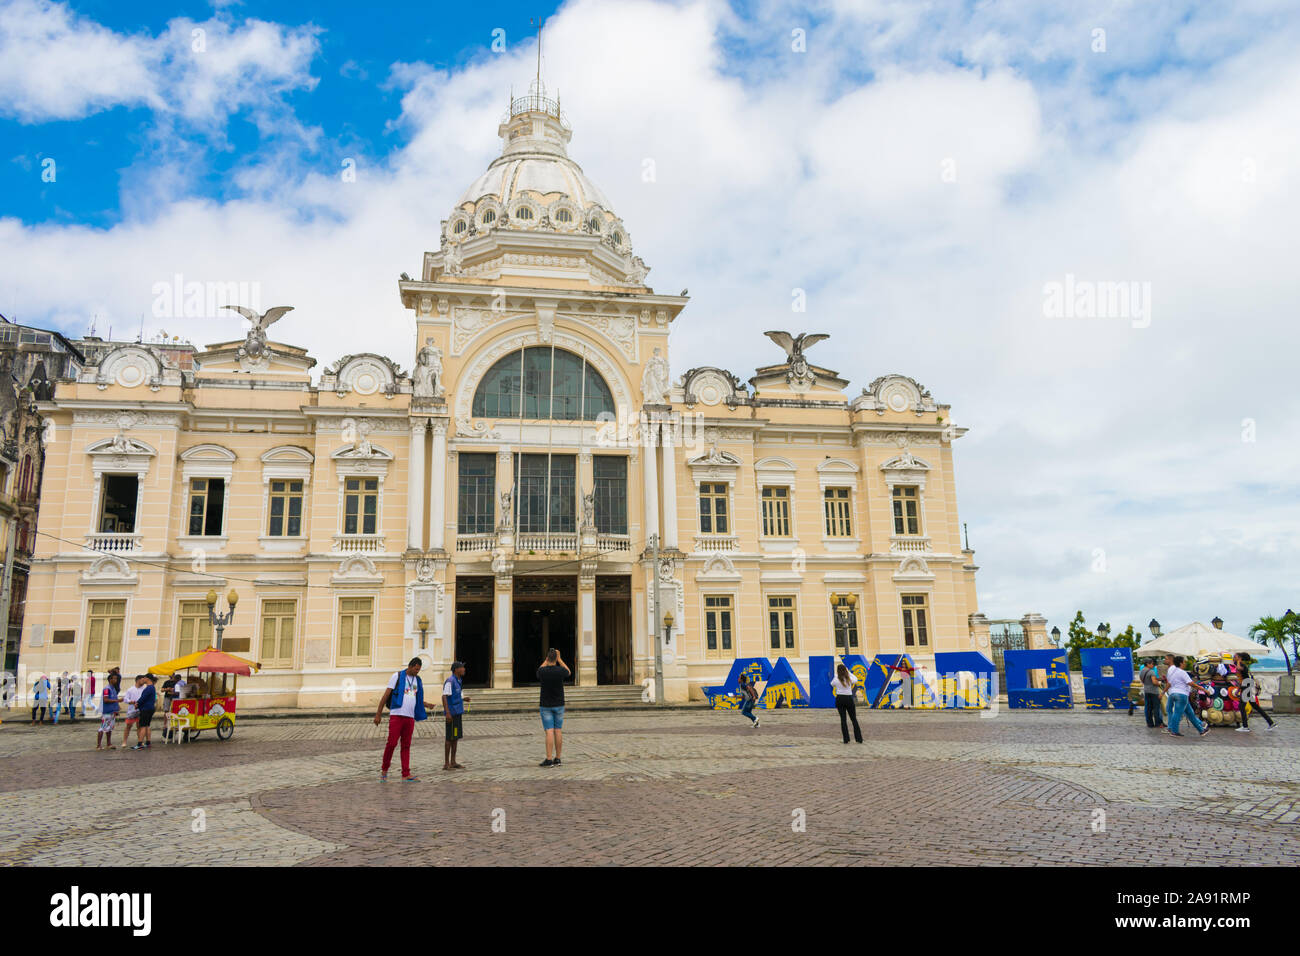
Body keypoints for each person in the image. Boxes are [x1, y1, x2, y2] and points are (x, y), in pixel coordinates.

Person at [373, 658, 427, 782]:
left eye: (419, 670)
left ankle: (406, 773)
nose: (417, 672)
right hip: (397, 715)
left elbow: (413, 696)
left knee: (406, 745)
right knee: (391, 743)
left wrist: (426, 704)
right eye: (416, 669)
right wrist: (378, 714)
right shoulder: (396, 676)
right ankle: (384, 771)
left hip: (410, 717)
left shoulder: (417, 680)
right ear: (410, 666)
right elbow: (386, 695)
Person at [1162, 654, 1209, 738]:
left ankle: (1201, 730)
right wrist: (1203, 689)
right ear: (1180, 663)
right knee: (1177, 713)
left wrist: (1163, 692)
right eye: (1184, 662)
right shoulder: (1182, 672)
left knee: (1190, 714)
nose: (1185, 663)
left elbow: (1169, 683)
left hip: (1173, 694)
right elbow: (1191, 683)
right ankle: (1174, 731)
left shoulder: (1172, 672)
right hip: (1181, 695)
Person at [537, 648, 570, 767]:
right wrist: (559, 659)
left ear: (547, 658)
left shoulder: (543, 671)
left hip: (546, 705)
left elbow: (539, 669)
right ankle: (558, 758)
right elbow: (568, 672)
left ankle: (549, 759)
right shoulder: (560, 670)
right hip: (559, 704)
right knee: (558, 730)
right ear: (556, 659)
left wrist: (547, 660)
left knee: (549, 731)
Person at [1235, 653, 1276, 732]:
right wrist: (1238, 690)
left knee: (1241, 706)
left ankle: (1245, 726)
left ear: (1240, 658)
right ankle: (1271, 722)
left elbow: (1239, 668)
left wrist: (1238, 661)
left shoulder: (1241, 665)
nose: (1234, 658)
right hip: (1246, 685)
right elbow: (1242, 678)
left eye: (1236, 656)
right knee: (1255, 706)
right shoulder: (1243, 665)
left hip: (1246, 685)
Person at [441, 662, 468, 770]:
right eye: (462, 667)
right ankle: (446, 763)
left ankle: (453, 761)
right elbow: (444, 697)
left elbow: (456, 695)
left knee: (455, 737)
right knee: (449, 738)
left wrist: (463, 699)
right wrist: (447, 713)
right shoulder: (450, 681)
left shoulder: (459, 681)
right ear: (456, 669)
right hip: (451, 714)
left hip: (457, 713)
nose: (464, 669)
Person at [832, 663, 864, 743]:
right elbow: (856, 679)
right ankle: (859, 739)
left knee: (843, 720)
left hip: (839, 698)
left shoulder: (836, 679)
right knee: (853, 719)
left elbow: (832, 684)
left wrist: (837, 675)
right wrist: (848, 672)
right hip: (848, 698)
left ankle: (846, 739)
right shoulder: (849, 678)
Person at [131, 675, 157, 750]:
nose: (142, 679)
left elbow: (143, 698)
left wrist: (137, 704)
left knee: (142, 726)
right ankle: (148, 742)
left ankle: (140, 743)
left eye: (144, 678)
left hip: (146, 709)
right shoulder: (152, 687)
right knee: (147, 725)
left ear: (147, 678)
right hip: (150, 708)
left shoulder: (149, 688)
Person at [97, 673, 121, 749]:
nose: (116, 680)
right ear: (110, 680)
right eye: (114, 678)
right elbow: (106, 700)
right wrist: (117, 700)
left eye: (116, 679)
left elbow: (113, 699)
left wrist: (117, 708)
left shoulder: (113, 689)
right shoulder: (107, 689)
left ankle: (108, 744)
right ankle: (98, 745)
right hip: (107, 712)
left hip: (112, 712)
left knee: (109, 728)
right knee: (103, 727)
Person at [1139, 658, 1164, 728]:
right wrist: (1159, 683)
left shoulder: (1141, 671)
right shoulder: (1151, 671)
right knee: (1156, 708)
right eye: (1152, 663)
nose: (1153, 665)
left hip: (1146, 691)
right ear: (1148, 664)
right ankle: (1158, 723)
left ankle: (1149, 723)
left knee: (1148, 708)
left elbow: (1142, 680)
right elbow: (1154, 682)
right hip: (1153, 691)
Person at [120, 675, 143, 748]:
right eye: (142, 680)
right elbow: (126, 699)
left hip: (141, 710)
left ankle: (140, 741)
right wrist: (131, 702)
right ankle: (124, 741)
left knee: (139, 726)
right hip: (132, 710)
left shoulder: (144, 689)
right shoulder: (130, 689)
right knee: (128, 726)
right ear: (138, 680)